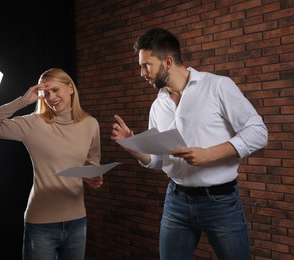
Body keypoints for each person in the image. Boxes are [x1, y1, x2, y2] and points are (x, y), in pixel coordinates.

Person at [111, 28, 268, 260]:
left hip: (220, 202)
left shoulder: (218, 86)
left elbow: (258, 132)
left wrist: (209, 154)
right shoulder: (158, 105)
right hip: (176, 200)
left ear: (167, 61)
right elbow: (158, 161)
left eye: (146, 65)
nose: (141, 72)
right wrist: (134, 148)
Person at [0, 68, 103, 260]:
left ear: (70, 88)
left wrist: (95, 179)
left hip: (77, 221)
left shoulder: (91, 124)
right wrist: (23, 101)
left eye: (55, 90)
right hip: (41, 223)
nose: (51, 97)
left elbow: (92, 164)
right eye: (46, 93)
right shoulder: (33, 124)